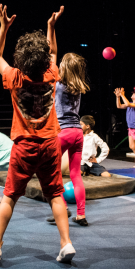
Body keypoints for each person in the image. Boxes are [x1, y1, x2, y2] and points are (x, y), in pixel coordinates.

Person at [0, 4, 75, 264]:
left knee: (10, 197)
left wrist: (4, 27)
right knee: (55, 195)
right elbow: (54, 51)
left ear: (21, 59)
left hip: (24, 146)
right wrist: (51, 26)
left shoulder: (14, 77)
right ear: (44, 59)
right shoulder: (51, 74)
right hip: (49, 144)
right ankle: (66, 243)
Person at [50, 53, 90, 226]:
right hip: (78, 132)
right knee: (75, 175)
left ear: (63, 67)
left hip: (63, 132)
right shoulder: (78, 88)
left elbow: (51, 66)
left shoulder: (57, 85)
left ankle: (63, 209)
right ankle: (81, 215)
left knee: (53, 174)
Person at [115, 87, 135, 167]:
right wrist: (118, 97)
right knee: (132, 146)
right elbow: (119, 106)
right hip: (130, 128)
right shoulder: (130, 104)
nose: (133, 93)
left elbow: (127, 104)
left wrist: (122, 95)